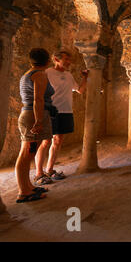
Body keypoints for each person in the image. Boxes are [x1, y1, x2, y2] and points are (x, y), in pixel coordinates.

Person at [34, 50, 88, 185]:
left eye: (69, 59)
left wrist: (85, 78)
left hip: (65, 111)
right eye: (66, 59)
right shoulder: (47, 73)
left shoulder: (68, 75)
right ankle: (39, 174)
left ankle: (50, 170)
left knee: (58, 141)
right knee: (45, 142)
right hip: (51, 112)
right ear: (56, 60)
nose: (69, 62)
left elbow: (80, 90)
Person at [15, 48, 55, 203]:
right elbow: (38, 99)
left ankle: (28, 186)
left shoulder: (27, 74)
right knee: (27, 154)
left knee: (28, 153)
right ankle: (23, 192)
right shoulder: (39, 75)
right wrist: (38, 121)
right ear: (47, 60)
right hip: (33, 116)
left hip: (30, 114)